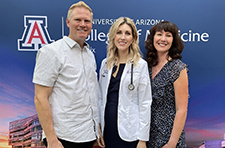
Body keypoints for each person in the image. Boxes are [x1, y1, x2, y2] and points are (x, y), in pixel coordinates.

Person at [33, 1, 99, 148]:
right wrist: (51, 140)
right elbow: (40, 97)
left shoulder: (89, 55)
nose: (83, 24)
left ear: (91, 25)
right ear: (68, 22)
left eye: (87, 21)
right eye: (78, 20)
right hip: (63, 138)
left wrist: (96, 131)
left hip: (87, 135)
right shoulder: (51, 52)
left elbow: (92, 96)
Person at [97, 17, 152, 148]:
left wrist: (143, 139)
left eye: (127, 33)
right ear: (113, 36)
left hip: (130, 132)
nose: (123, 37)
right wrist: (98, 128)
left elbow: (145, 102)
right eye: (119, 32)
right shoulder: (105, 64)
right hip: (108, 130)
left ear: (133, 38)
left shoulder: (140, 65)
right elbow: (100, 98)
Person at [145, 21, 189, 148]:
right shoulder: (146, 66)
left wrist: (172, 143)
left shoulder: (178, 68)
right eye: (159, 34)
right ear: (152, 38)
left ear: (173, 40)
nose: (163, 39)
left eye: (168, 35)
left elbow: (182, 109)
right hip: (147, 135)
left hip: (169, 138)